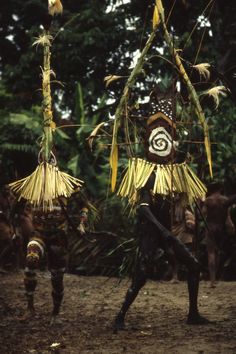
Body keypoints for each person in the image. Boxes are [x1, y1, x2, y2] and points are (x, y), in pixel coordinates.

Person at [114, 87, 209, 331]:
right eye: (161, 132)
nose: (164, 137)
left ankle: (193, 313)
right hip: (150, 233)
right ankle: (120, 315)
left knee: (194, 265)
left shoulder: (173, 174)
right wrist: (163, 232)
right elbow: (143, 208)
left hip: (166, 233)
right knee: (142, 274)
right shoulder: (146, 173)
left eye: (168, 131)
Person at [22, 193, 89, 323]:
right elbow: (21, 209)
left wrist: (82, 223)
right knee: (31, 258)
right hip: (38, 234)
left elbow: (84, 206)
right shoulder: (33, 184)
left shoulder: (66, 186)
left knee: (57, 277)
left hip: (58, 237)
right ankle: (30, 308)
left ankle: (55, 313)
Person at [202, 183, 236, 287]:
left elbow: (202, 214)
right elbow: (227, 218)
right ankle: (215, 278)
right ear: (220, 189)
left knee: (211, 253)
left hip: (210, 227)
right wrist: (231, 226)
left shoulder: (208, 200)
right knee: (217, 252)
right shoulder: (225, 200)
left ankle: (212, 280)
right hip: (220, 228)